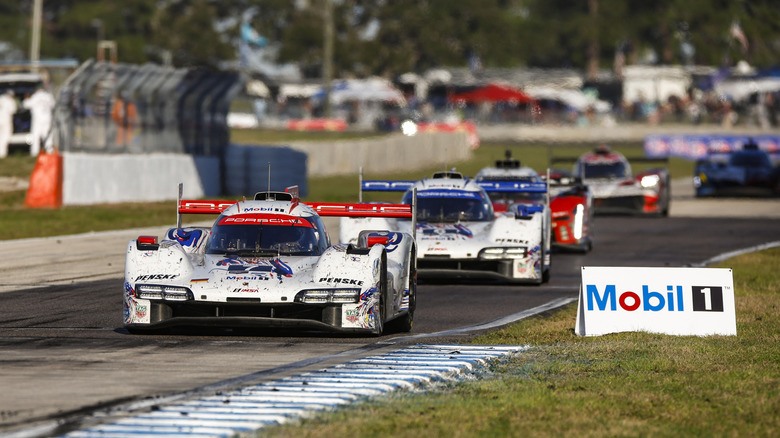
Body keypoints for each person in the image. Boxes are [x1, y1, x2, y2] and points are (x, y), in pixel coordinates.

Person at [23, 84, 56, 155]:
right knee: (47, 136)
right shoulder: (48, 96)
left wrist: (26, 97)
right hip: (47, 118)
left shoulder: (34, 96)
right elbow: (53, 105)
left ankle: (35, 152)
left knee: (36, 136)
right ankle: (49, 151)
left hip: (37, 120)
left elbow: (26, 105)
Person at [0, 89, 16, 158]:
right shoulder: (10, 101)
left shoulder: (1, 99)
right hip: (6, 121)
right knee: (6, 137)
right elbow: (13, 110)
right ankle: (3, 153)